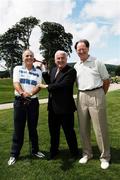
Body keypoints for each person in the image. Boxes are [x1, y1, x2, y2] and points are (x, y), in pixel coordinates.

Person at [74, 39, 111, 169]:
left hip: (96, 94)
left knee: (100, 128)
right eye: (79, 49)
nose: (81, 51)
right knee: (83, 127)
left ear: (88, 48)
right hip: (81, 95)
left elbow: (106, 80)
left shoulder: (97, 62)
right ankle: (87, 154)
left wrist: (101, 94)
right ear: (76, 51)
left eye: (83, 48)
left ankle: (105, 157)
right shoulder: (76, 65)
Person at [38, 50, 79, 160]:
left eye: (62, 58)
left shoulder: (71, 71)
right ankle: (54, 152)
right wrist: (44, 70)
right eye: (58, 58)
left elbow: (63, 85)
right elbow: (50, 82)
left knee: (69, 132)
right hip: (52, 108)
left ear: (66, 59)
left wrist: (46, 87)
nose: (60, 60)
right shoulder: (53, 70)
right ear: (55, 60)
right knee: (53, 132)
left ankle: (74, 153)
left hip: (66, 108)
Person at [8, 49, 45, 166]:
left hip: (33, 102)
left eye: (31, 56)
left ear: (33, 58)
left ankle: (35, 151)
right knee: (18, 129)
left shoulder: (38, 72)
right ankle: (14, 154)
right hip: (20, 101)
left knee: (33, 128)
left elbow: (38, 86)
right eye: (26, 56)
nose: (29, 57)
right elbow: (16, 83)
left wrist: (30, 94)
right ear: (23, 58)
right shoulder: (17, 68)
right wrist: (23, 93)